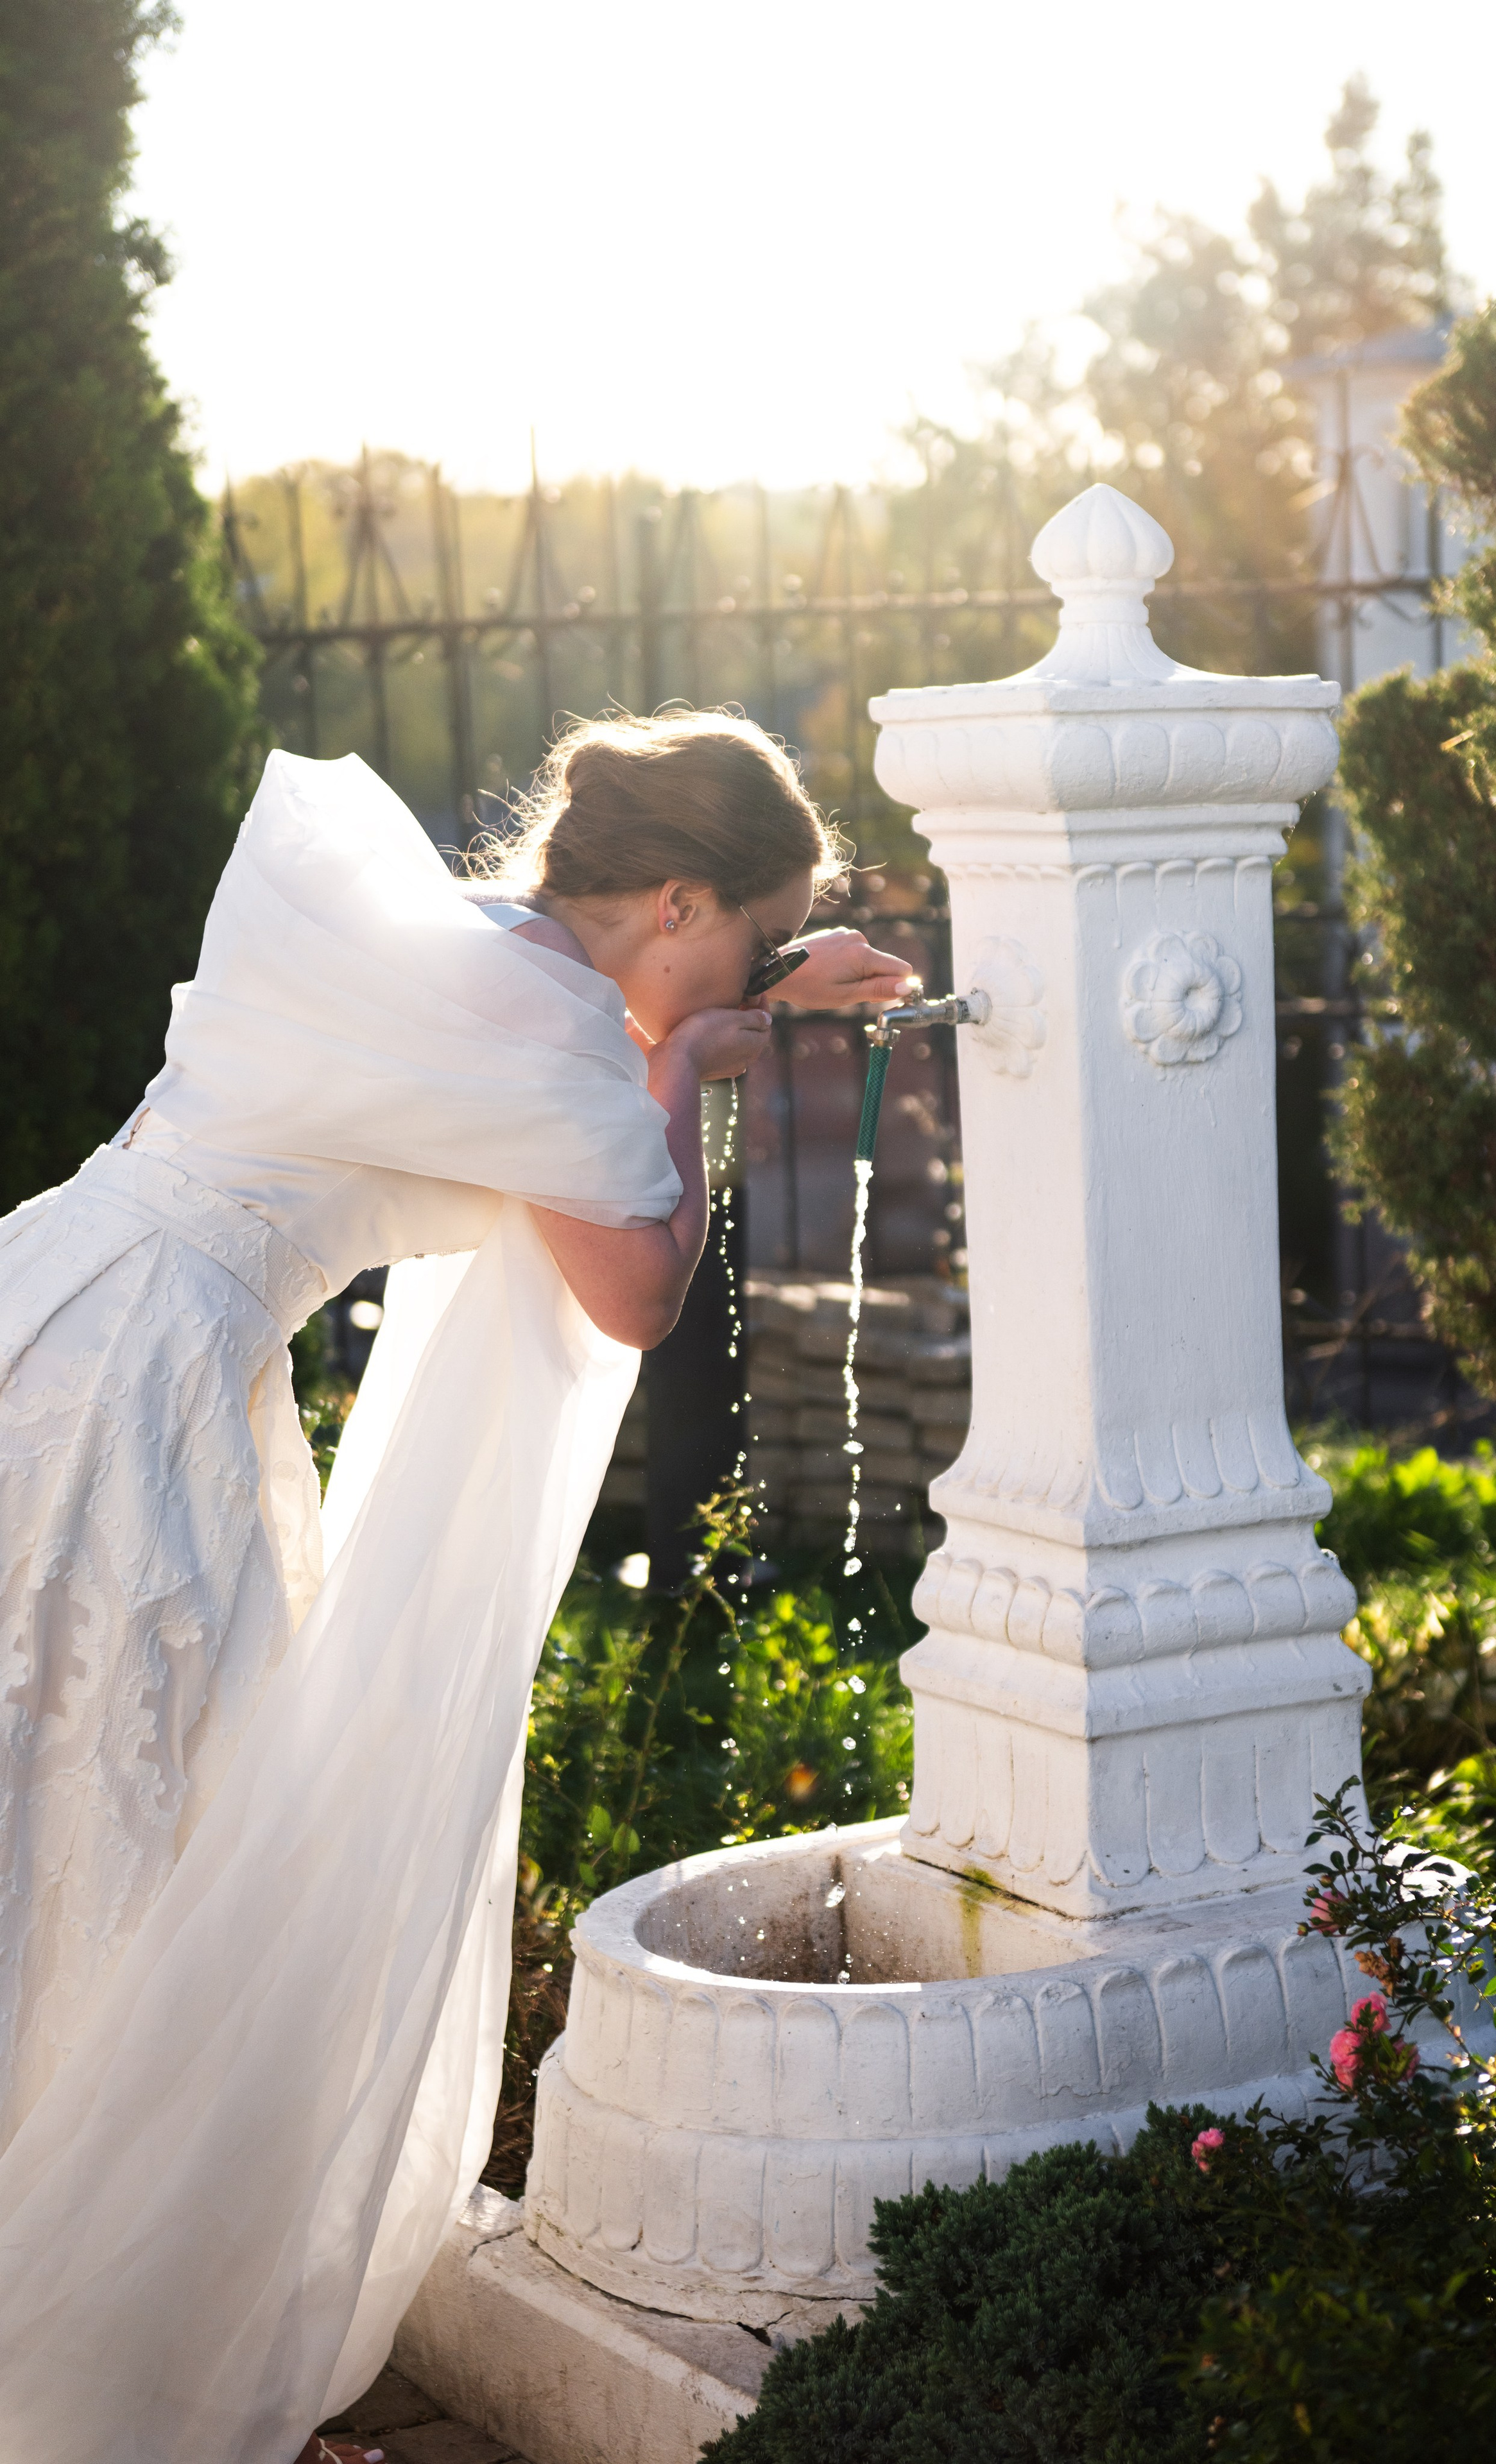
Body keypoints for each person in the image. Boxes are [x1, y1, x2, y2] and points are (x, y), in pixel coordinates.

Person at [0, 711, 912, 2463]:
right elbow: (637, 1293)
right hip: (140, 1402)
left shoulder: (469, 951)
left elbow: (613, 1043)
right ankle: (89, 2364)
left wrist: (750, 989)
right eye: (740, 933)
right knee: (146, 1866)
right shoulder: (554, 1027)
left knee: (91, 1827)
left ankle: (120, 2349)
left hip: (64, 1301)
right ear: (671, 899)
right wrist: (691, 1075)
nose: (734, 971)